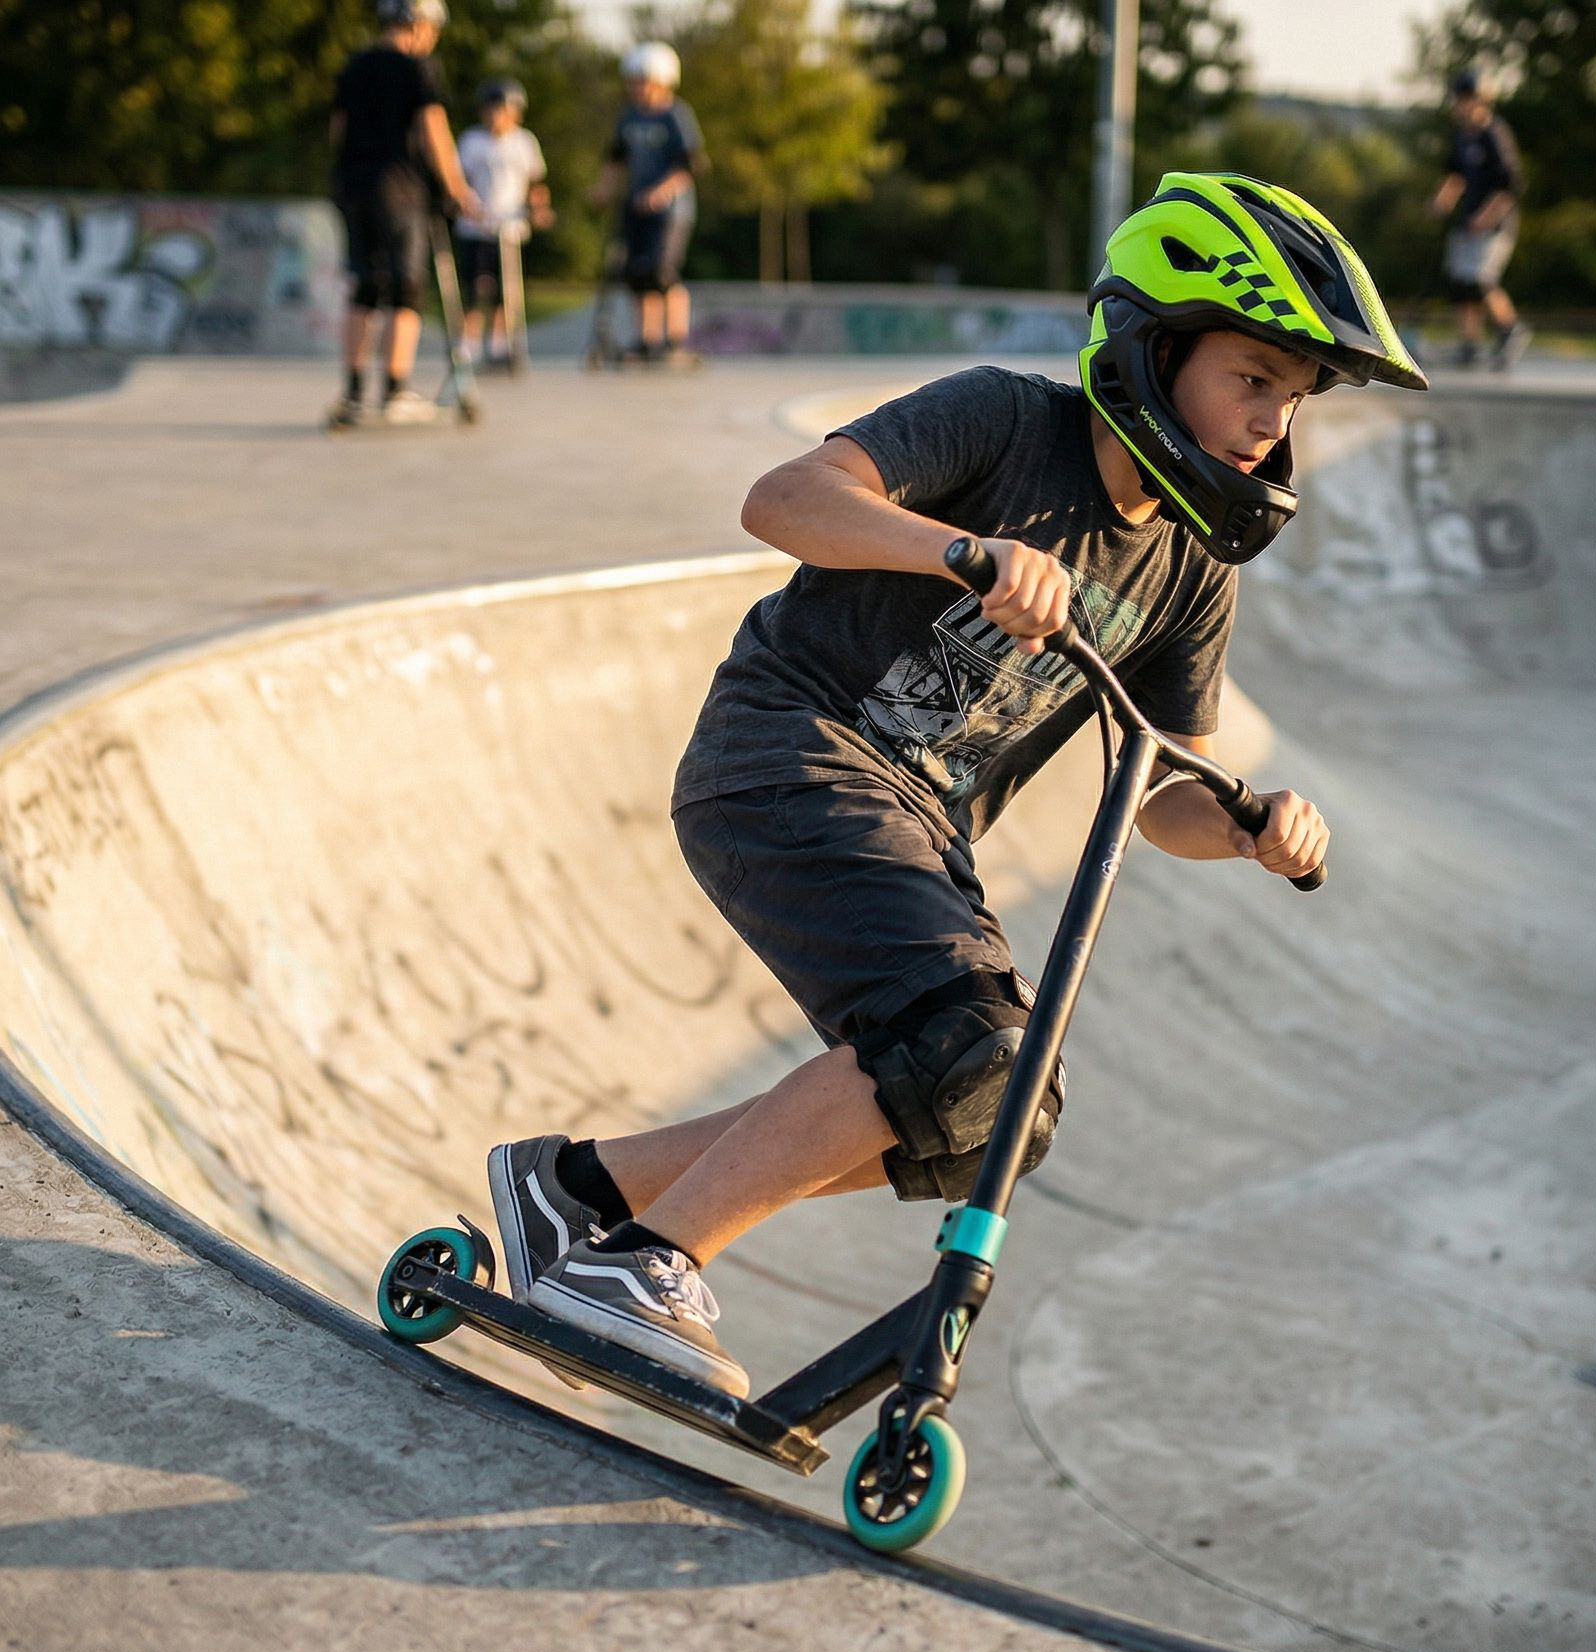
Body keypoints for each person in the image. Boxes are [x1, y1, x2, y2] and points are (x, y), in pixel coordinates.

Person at [484, 173, 1428, 1397]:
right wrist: (965, 551)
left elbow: (1159, 790)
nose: (1269, 422)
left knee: (997, 1104)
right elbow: (783, 500)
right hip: (788, 751)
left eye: (1290, 399)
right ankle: (642, 1265)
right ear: (1153, 346)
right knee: (959, 1039)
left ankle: (582, 1191)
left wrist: (1250, 827)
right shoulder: (1004, 422)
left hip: (923, 827)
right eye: (1251, 378)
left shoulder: (1191, 569)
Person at [327, 0, 479, 426]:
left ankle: (354, 393)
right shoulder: (418, 67)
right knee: (405, 286)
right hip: (401, 190)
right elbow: (434, 130)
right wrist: (457, 188)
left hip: (352, 188)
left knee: (364, 286)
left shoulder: (354, 67)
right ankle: (395, 389)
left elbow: (338, 130)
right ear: (419, 24)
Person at [588, 42, 706, 364]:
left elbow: (690, 165)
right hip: (635, 207)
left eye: (643, 81)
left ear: (663, 81)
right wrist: (603, 189)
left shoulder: (675, 115)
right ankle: (648, 340)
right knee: (637, 275)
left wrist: (661, 192)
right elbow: (616, 158)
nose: (637, 88)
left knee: (663, 273)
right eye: (634, 81)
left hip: (671, 212)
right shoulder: (629, 117)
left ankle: (677, 340)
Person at [1431, 69, 1531, 370]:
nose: (1461, 106)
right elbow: (1456, 175)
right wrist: (1443, 199)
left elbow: (1510, 185)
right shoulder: (1463, 137)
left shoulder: (1494, 135)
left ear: (1481, 101)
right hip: (1467, 221)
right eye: (1459, 100)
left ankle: (1510, 329)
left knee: (1479, 279)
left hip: (1494, 224)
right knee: (1461, 283)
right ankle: (1469, 343)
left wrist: (1486, 218)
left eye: (1467, 100)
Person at [454, 78, 552, 368]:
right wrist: (466, 205)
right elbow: (460, 180)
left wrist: (540, 209)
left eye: (501, 110)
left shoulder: (524, 142)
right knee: (474, 287)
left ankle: (500, 344)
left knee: (504, 289)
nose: (495, 116)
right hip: (476, 225)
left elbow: (536, 183)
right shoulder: (472, 141)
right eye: (490, 110)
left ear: (515, 112)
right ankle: (468, 344)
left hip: (509, 226)